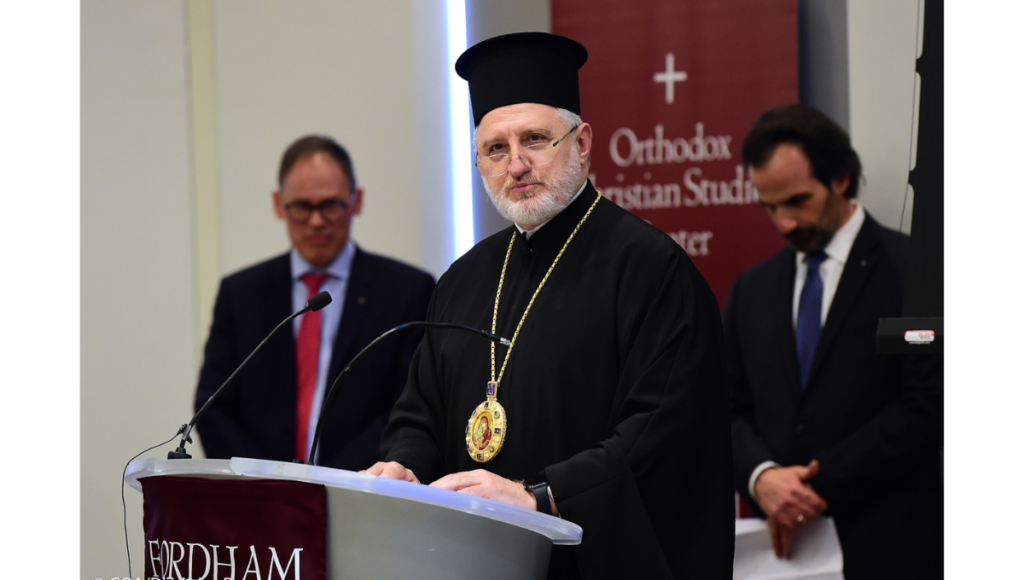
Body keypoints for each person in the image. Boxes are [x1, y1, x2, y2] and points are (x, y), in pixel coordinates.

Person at [365, 33, 734, 580]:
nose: (516, 165)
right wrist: (404, 466)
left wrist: (540, 495)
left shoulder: (650, 268)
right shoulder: (463, 280)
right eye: (496, 148)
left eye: (535, 140)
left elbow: (666, 433)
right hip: (480, 560)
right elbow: (422, 413)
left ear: (583, 143)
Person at [725, 104, 943, 579]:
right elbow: (726, 407)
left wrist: (808, 487)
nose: (784, 223)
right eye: (770, 207)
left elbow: (927, 407)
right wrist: (762, 479)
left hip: (892, 545)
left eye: (797, 201)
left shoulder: (916, 271)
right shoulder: (752, 290)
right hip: (780, 556)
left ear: (841, 179)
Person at [194, 135, 435, 470]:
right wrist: (267, 483)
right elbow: (213, 408)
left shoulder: (407, 291)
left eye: (331, 205)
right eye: (302, 207)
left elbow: (408, 408)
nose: (317, 221)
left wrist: (331, 482)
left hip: (364, 490)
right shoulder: (242, 294)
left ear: (357, 201)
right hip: (262, 500)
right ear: (279, 204)